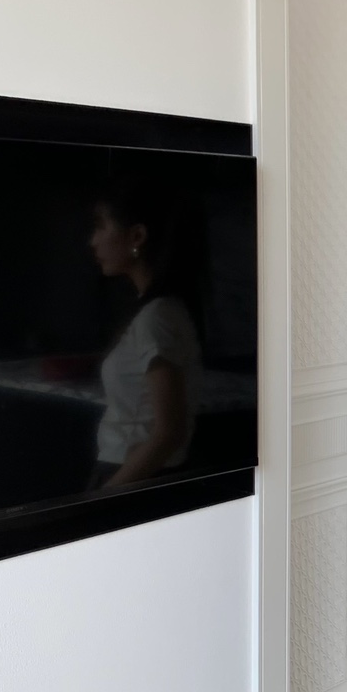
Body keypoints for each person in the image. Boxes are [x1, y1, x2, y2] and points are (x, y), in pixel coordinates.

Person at [88, 178, 201, 489]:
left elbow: (169, 433)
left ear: (137, 236)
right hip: (135, 473)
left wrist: (104, 497)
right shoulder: (156, 311)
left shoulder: (158, 316)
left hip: (133, 476)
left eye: (101, 226)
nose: (93, 241)